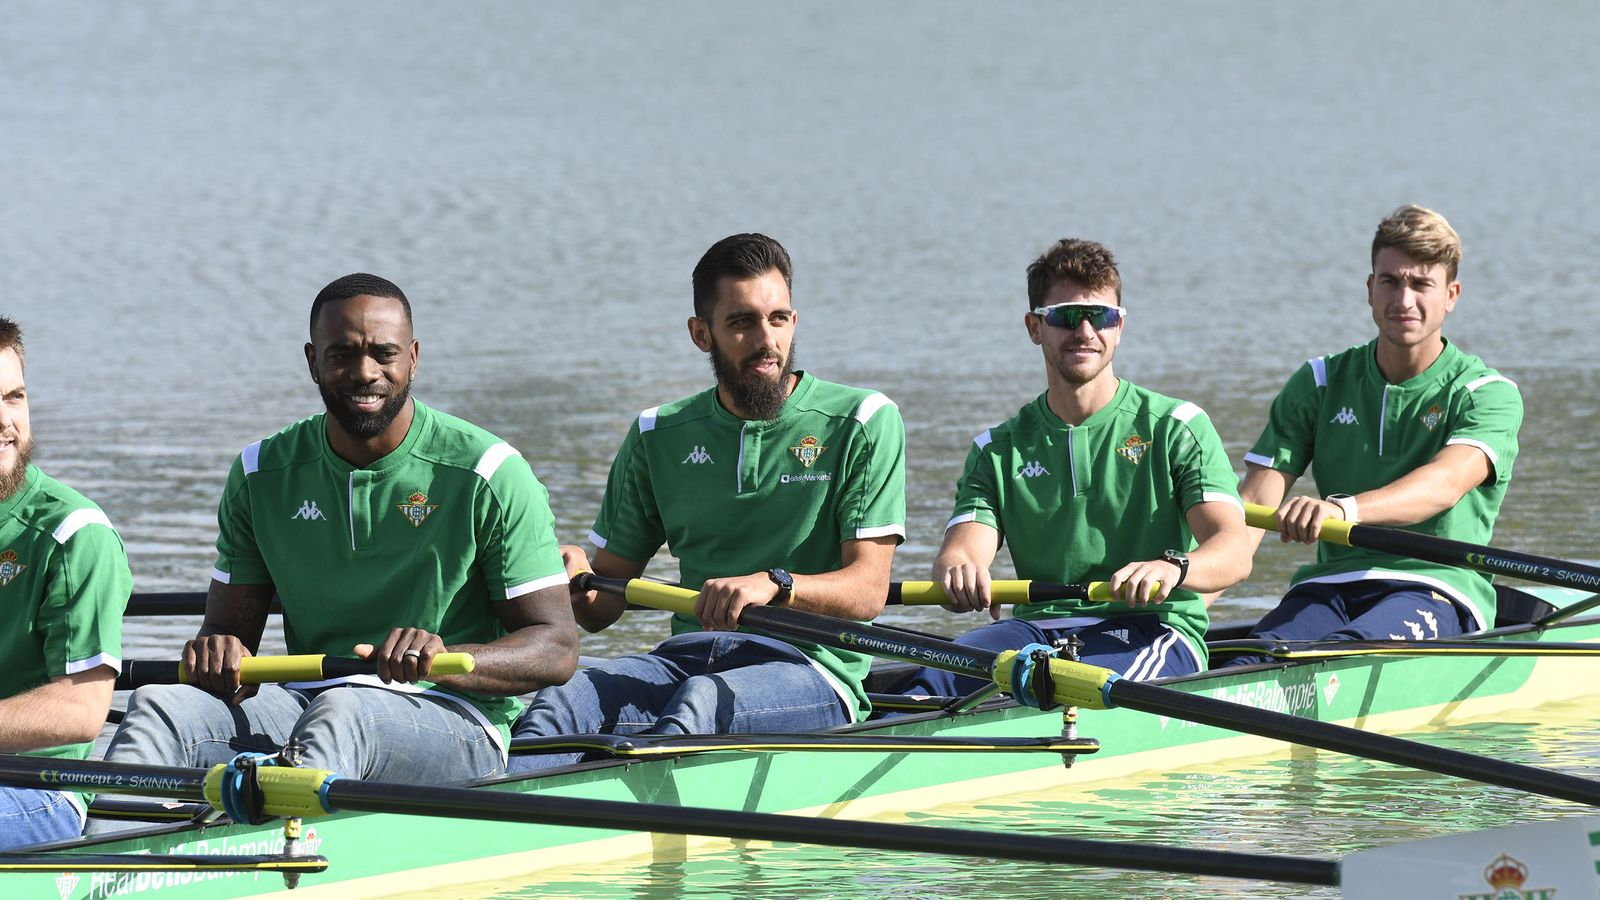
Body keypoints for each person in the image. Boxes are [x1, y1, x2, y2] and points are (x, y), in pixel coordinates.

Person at [101, 275, 577, 785]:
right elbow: (229, 634)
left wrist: (444, 660)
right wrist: (218, 654)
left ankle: (280, 846)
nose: (364, 372)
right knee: (158, 705)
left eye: (384, 353)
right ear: (312, 361)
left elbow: (557, 648)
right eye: (342, 354)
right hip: (308, 703)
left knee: (345, 713)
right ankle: (93, 858)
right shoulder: (261, 473)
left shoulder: (490, 471)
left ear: (413, 357)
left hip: (457, 715)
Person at [509, 233, 905, 771]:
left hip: (812, 669)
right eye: (742, 322)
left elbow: (867, 593)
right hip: (688, 658)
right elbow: (603, 607)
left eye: (779, 318)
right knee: (564, 697)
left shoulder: (864, 420)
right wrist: (572, 577)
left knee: (697, 709)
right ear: (702, 334)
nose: (766, 341)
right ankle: (501, 818)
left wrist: (776, 584)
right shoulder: (657, 433)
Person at [901, 238, 1251, 700]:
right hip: (1034, 631)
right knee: (932, 677)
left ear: (1120, 326)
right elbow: (962, 550)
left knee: (1072, 685)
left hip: (1149, 627)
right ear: (1034, 327)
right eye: (1066, 316)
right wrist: (959, 571)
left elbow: (1234, 549)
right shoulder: (997, 448)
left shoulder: (1177, 427)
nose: (1085, 330)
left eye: (1101, 316)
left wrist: (1173, 568)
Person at [1226, 205, 1522, 665]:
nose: (1404, 300)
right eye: (1391, 281)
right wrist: (1181, 602)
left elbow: (1443, 485)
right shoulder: (1320, 382)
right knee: (1247, 661)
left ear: (1452, 295)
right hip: (1328, 588)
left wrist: (1343, 510)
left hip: (1436, 589)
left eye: (1422, 284)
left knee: (1344, 656)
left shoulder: (1486, 394)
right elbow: (1247, 519)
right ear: (1370, 289)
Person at [0, 316, 132, 847]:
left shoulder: (74, 533)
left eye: (13, 397)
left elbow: (81, 711)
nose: (4, 420)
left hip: (41, 790)